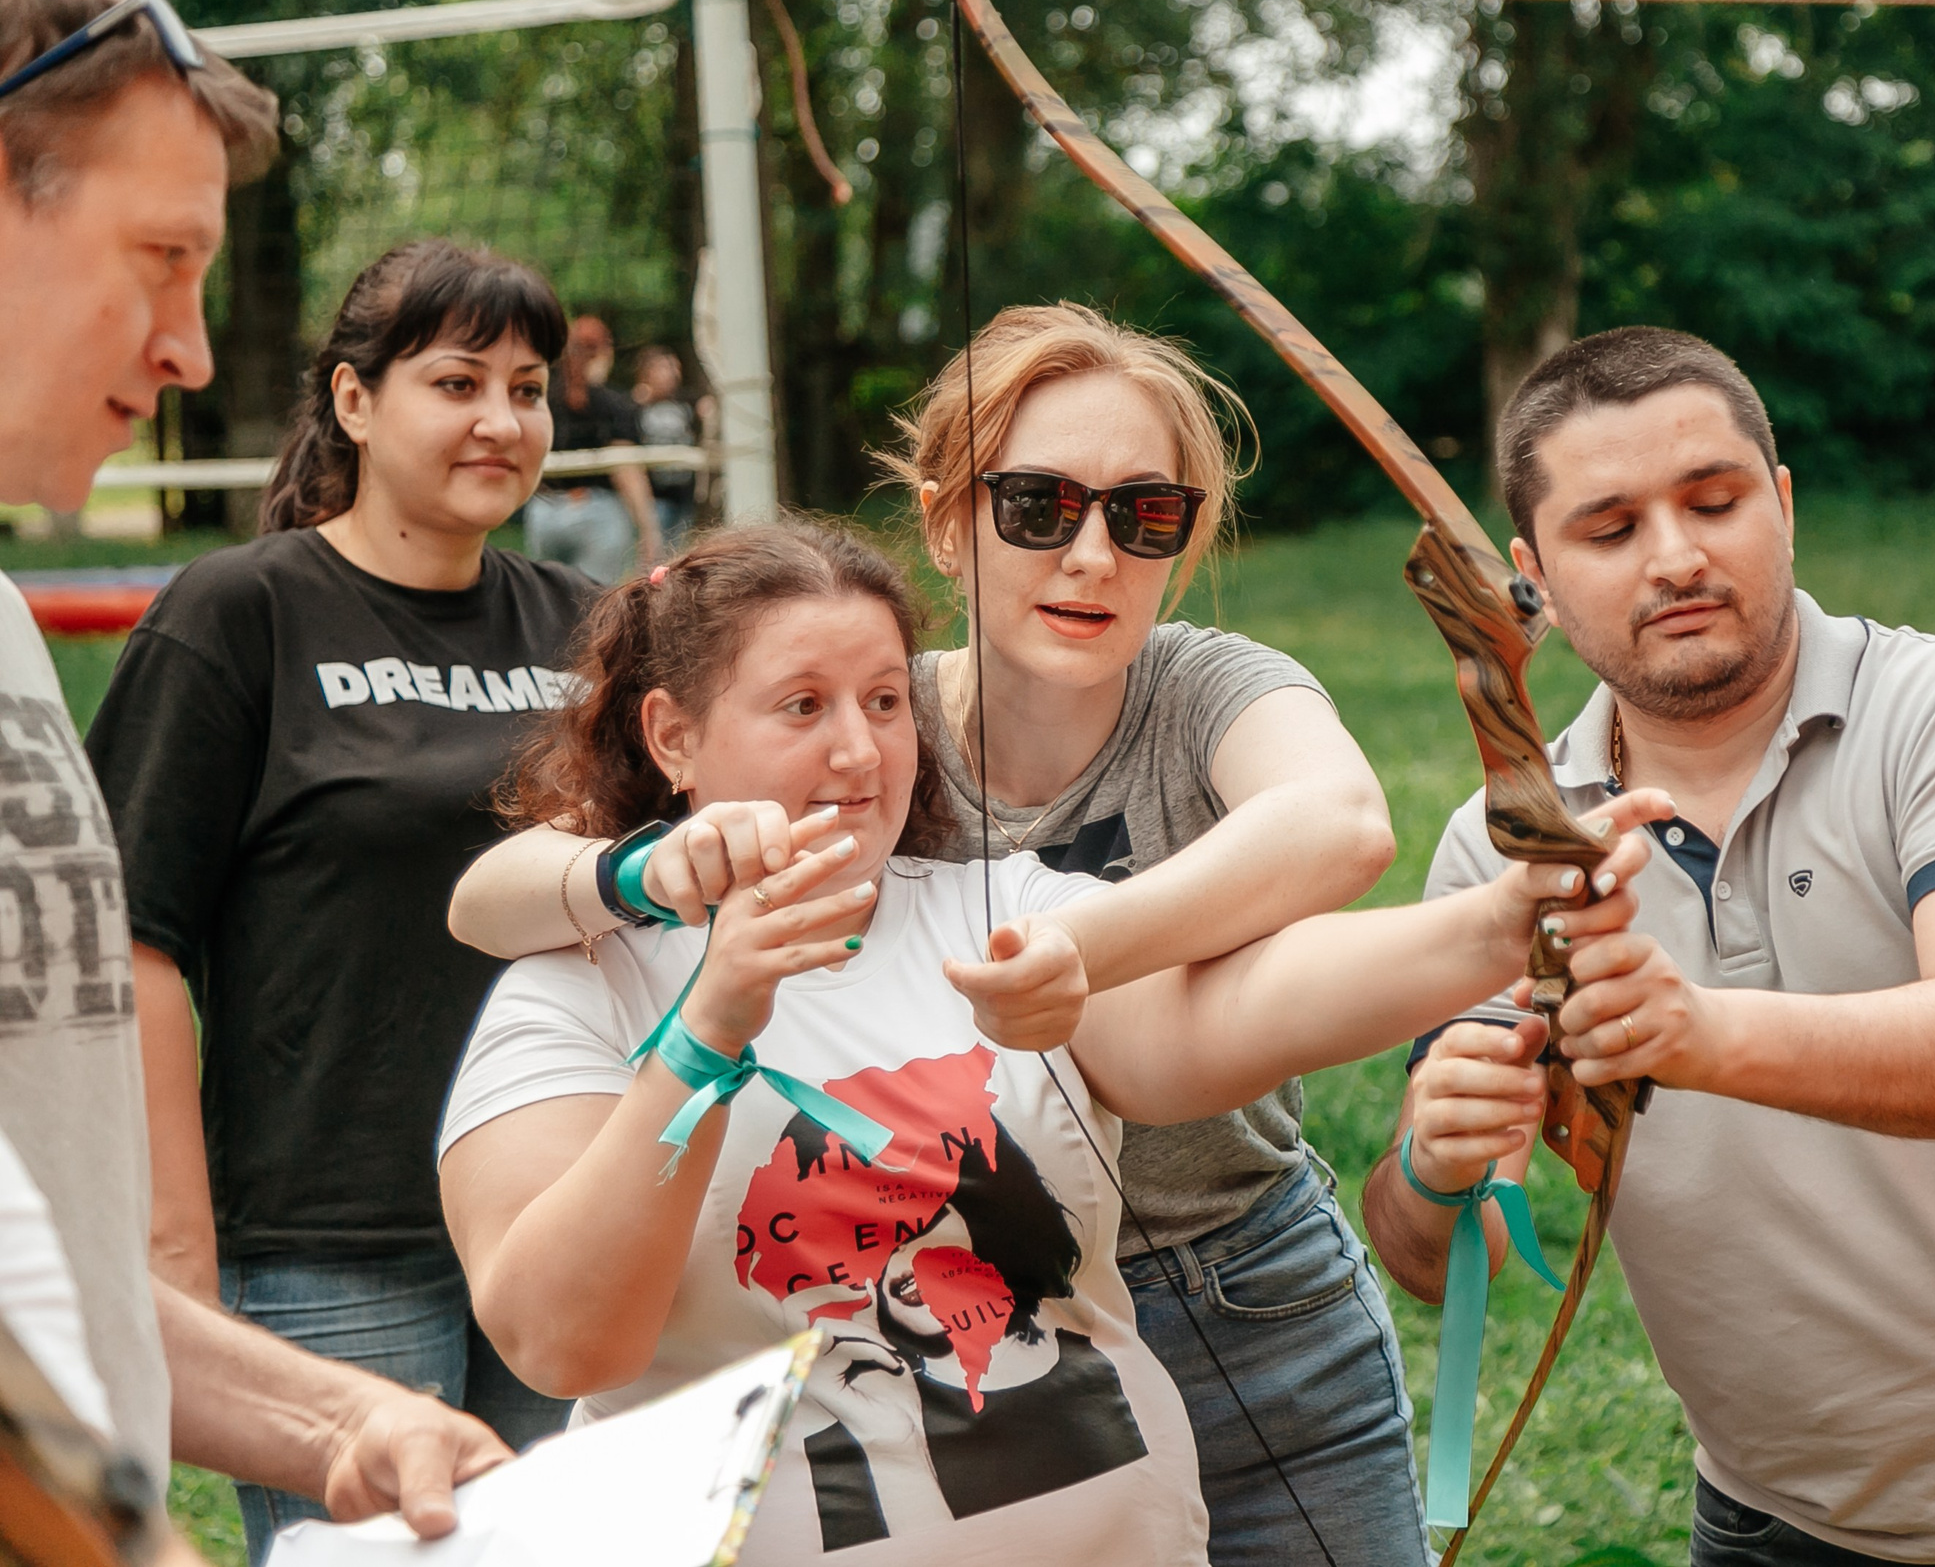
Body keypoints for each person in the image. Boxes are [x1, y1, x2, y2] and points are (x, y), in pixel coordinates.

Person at [435, 518, 1659, 1565]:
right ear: (673, 735)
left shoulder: (995, 901)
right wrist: (710, 1024)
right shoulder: (575, 980)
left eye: (882, 702)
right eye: (802, 706)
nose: (860, 753)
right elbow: (561, 1337)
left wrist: (1502, 922)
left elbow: (1224, 1012)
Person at [448, 305, 1427, 1563]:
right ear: (945, 517)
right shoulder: (864, 715)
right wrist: (647, 870)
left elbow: (1340, 824)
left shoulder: (1199, 683)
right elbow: (503, 885)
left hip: (1245, 1281)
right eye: (1036, 505)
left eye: (1146, 515)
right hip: (953, 1292)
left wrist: (1068, 951)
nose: (1090, 553)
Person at [1362, 327, 1935, 1566]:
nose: (1677, 555)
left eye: (1714, 499)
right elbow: (1434, 1254)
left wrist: (1691, 1028)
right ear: (1530, 574)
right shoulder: (1504, 846)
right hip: (1777, 1524)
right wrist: (1431, 1163)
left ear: (1781, 504)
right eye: (1610, 527)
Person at [0, 0, 506, 1556]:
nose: (193, 351)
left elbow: (38, 1262)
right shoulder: (239, 614)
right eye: (161, 256)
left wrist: (340, 1416)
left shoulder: (5, 629)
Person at [81, 239, 598, 1560]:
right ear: (355, 401)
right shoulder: (238, 613)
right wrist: (175, 1260)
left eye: (529, 388)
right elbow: (129, 945)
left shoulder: (588, 631)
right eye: (459, 380)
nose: (502, 420)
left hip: (553, 1216)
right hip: (328, 1242)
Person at [525, 313, 659, 581]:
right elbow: (626, 470)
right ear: (605, 351)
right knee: (595, 606)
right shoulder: (614, 405)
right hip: (599, 513)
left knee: (546, 602)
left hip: (544, 514)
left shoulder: (542, 401)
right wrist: (649, 531)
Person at [630, 343, 700, 549]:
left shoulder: (686, 403)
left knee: (677, 553)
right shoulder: (633, 407)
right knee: (649, 553)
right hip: (653, 498)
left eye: (673, 368)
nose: (671, 375)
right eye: (663, 368)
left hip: (683, 495)